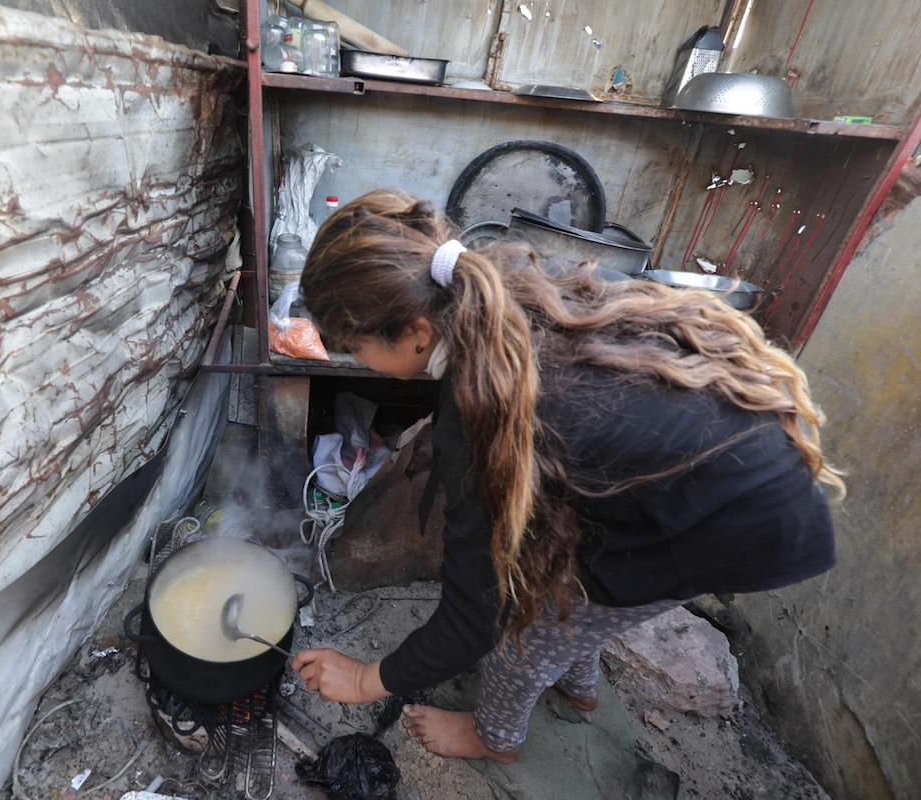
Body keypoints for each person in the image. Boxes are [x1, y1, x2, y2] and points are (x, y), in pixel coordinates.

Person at [289, 190, 842, 763]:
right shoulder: (495, 282)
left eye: (356, 349)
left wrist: (366, 679)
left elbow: (473, 617)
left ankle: (495, 737)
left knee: (526, 629)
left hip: (743, 514)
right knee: (584, 579)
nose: (356, 362)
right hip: (725, 456)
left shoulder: (483, 415)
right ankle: (577, 686)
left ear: (417, 334)